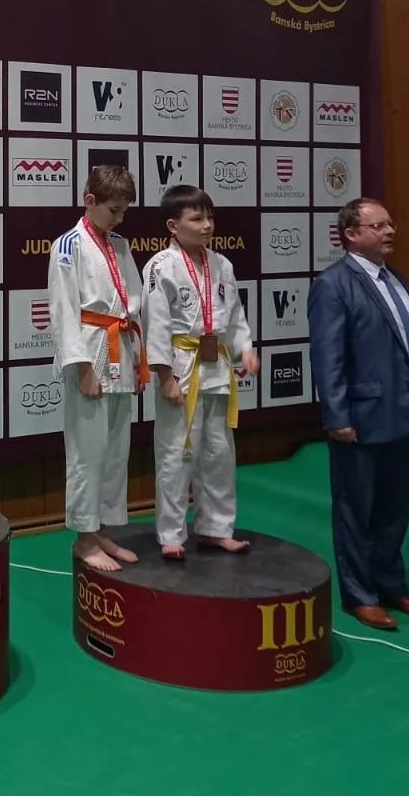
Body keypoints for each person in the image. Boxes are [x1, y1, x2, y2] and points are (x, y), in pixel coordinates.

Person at [308, 197, 409, 631]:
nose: (390, 231)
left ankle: (391, 585)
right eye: (378, 226)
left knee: (394, 509)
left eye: (390, 224)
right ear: (351, 234)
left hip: (399, 415)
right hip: (359, 420)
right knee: (355, 511)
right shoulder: (333, 285)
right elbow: (327, 359)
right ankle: (360, 596)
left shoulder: (396, 279)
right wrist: (337, 417)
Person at [142, 186, 259, 560]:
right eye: (197, 218)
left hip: (216, 367)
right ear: (173, 226)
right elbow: (156, 324)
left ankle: (215, 528)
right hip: (182, 368)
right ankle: (171, 533)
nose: (207, 225)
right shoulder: (161, 266)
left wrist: (244, 348)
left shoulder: (222, 264)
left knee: (219, 453)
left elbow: (234, 314)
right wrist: (164, 377)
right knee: (177, 453)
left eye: (210, 217)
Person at [48, 165, 150, 573]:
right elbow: (63, 311)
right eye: (113, 210)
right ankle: (84, 539)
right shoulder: (67, 245)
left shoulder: (119, 245)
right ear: (90, 201)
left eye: (124, 211)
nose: (119, 218)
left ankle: (102, 528)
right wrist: (82, 368)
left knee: (114, 451)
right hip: (90, 352)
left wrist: (139, 358)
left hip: (121, 348)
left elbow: (133, 303)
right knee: (87, 452)